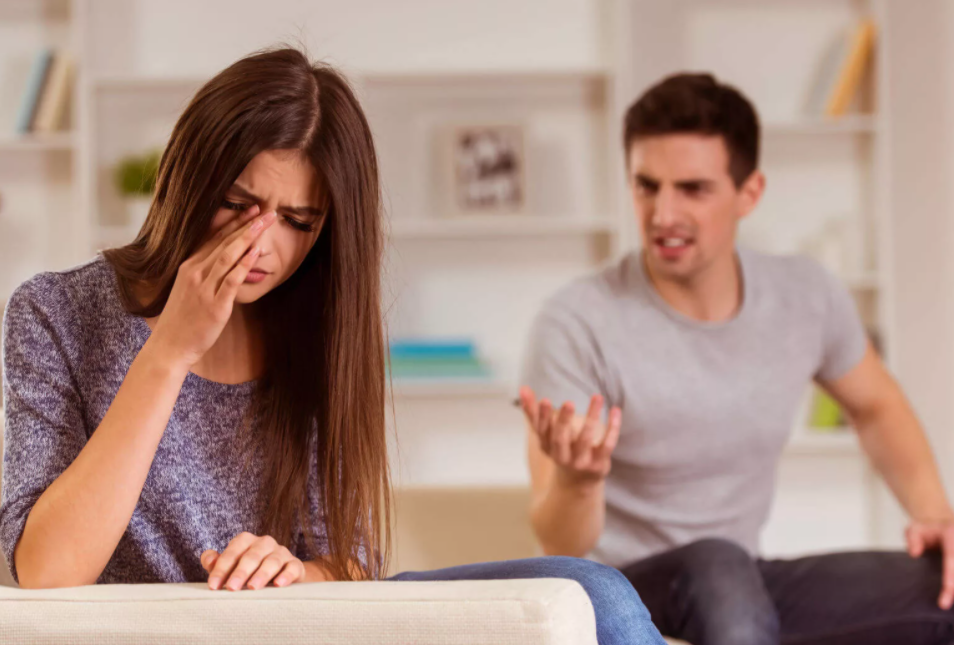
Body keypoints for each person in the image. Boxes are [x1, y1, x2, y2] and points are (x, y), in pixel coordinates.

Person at [0, 46, 664, 645]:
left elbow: (354, 562)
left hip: (304, 622)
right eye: (237, 203)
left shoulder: (316, 324)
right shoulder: (56, 312)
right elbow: (45, 569)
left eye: (297, 221)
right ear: (188, 178)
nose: (261, 245)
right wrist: (169, 351)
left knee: (594, 592)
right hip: (171, 630)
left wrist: (295, 571)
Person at [519, 72, 954, 645]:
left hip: (737, 590)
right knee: (718, 565)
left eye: (692, 189)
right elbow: (559, 544)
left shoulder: (805, 295)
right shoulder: (576, 321)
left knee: (942, 586)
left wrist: (936, 517)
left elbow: (875, 407)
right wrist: (578, 481)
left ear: (750, 192)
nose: (662, 214)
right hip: (616, 593)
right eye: (647, 186)